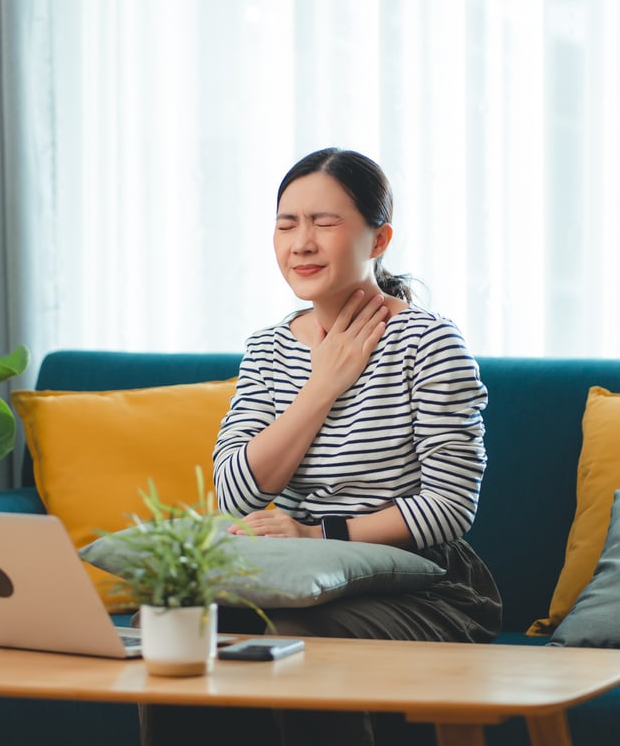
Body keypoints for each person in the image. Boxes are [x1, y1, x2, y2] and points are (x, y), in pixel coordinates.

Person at [140, 148, 501, 746]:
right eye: (287, 225)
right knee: (182, 623)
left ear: (378, 237)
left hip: (425, 587)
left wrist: (317, 535)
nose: (301, 243)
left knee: (295, 637)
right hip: (287, 577)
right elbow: (235, 491)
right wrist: (322, 384)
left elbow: (450, 508)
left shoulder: (429, 343)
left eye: (324, 223)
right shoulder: (269, 349)